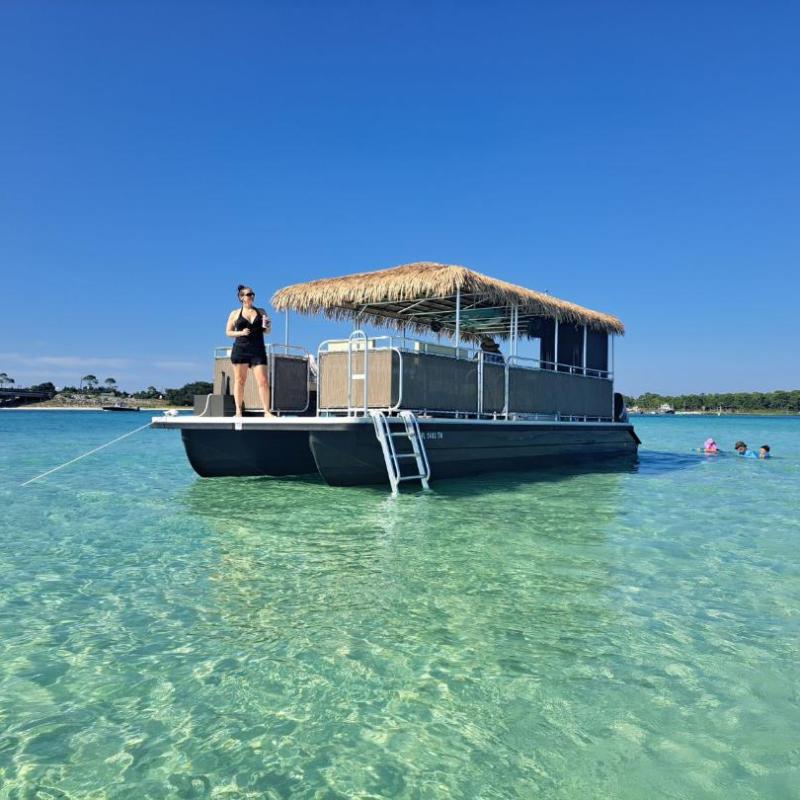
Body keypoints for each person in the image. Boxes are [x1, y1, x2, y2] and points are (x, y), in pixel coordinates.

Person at [226, 284, 272, 417]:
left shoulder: (261, 311)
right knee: (240, 380)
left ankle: (267, 411)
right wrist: (240, 332)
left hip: (258, 349)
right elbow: (228, 332)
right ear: (241, 297)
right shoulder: (234, 314)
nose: (251, 296)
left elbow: (268, 332)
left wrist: (268, 325)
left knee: (263, 381)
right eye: (248, 294)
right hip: (241, 349)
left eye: (253, 294)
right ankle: (238, 411)